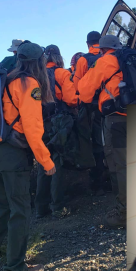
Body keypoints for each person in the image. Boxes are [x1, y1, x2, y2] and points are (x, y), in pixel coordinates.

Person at [0, 42, 55, 271]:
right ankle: (15, 270)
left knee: (4, 204)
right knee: (20, 209)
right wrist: (46, 161)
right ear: (39, 62)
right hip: (13, 154)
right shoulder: (29, 84)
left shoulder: (7, 79)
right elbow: (32, 129)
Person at [77, 35, 127, 229]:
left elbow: (85, 90)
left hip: (116, 119)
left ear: (103, 49)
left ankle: (124, 213)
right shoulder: (133, 58)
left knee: (120, 164)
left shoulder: (104, 61)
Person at [36, 45, 77, 219]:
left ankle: (40, 208)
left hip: (39, 123)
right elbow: (71, 99)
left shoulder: (35, 77)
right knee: (56, 161)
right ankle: (58, 206)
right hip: (57, 123)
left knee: (42, 162)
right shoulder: (62, 74)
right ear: (58, 57)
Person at [73, 31, 107, 196]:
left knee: (94, 143)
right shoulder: (107, 57)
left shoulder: (83, 60)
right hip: (110, 105)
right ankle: (112, 176)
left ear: (88, 44)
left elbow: (77, 86)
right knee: (110, 140)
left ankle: (97, 180)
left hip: (91, 107)